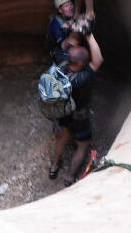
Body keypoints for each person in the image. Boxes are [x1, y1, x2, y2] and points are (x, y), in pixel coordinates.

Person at [48, 32, 103, 187]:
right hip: (80, 118)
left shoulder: (61, 67)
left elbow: (63, 47)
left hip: (64, 114)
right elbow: (98, 59)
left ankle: (54, 167)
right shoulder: (83, 78)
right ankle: (69, 178)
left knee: (62, 139)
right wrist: (89, 34)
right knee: (82, 146)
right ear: (80, 64)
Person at [47, 0, 90, 64]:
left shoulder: (72, 16)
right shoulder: (55, 24)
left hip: (74, 46)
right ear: (60, 10)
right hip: (60, 52)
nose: (71, 7)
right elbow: (65, 46)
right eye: (66, 6)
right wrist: (75, 28)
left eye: (71, 4)